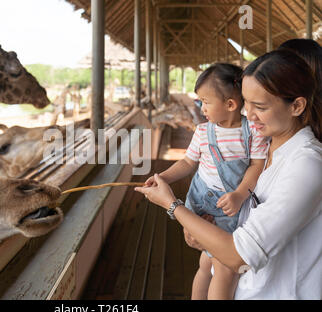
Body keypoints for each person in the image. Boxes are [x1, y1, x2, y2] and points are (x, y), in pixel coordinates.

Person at [136, 49, 321, 299]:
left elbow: (238, 256)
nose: (249, 114)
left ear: (296, 106)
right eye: (246, 103)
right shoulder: (265, 146)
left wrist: (172, 205)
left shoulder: (307, 164)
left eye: (260, 106)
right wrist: (203, 232)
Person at [144, 63, 268, 299]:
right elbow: (187, 163)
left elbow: (257, 166)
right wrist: (163, 178)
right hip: (200, 203)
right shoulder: (202, 132)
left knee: (213, 265)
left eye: (205, 102)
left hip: (228, 206)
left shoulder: (252, 131)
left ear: (230, 105)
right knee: (223, 268)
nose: (201, 108)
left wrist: (240, 193)